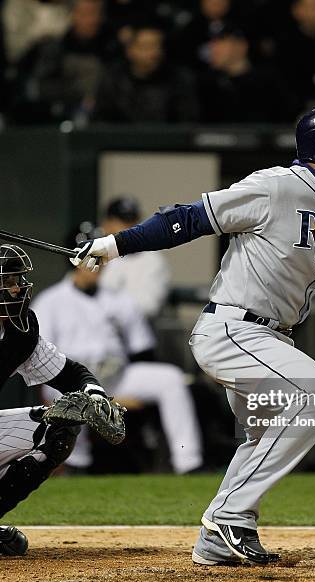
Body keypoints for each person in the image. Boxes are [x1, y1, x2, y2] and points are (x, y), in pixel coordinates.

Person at [70, 104, 315, 565]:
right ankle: (231, 516)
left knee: (263, 436)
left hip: (273, 339)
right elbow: (187, 219)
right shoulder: (276, 186)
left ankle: (217, 539)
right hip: (232, 328)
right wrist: (115, 245)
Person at [33, 227, 203, 475]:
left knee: (171, 379)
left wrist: (118, 400)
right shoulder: (50, 302)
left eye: (98, 259)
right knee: (62, 389)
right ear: (73, 260)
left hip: (116, 378)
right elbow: (39, 360)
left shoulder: (119, 299)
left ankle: (188, 463)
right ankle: (74, 464)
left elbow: (142, 349)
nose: (96, 266)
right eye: (89, 259)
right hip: (75, 381)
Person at [0, 244, 122, 556]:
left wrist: (94, 394)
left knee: (59, 429)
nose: (17, 289)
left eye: (17, 279)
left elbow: (72, 374)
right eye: (8, 281)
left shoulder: (19, 331)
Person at [92, 23, 199, 123]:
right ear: (130, 51)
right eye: (147, 47)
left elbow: (187, 124)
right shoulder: (113, 79)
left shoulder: (179, 79)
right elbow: (101, 121)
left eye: (158, 46)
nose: (154, 53)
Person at [99, 196, 171, 319]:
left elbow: (149, 306)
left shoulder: (152, 260)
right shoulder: (99, 255)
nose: (129, 228)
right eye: (122, 222)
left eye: (133, 222)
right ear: (107, 224)